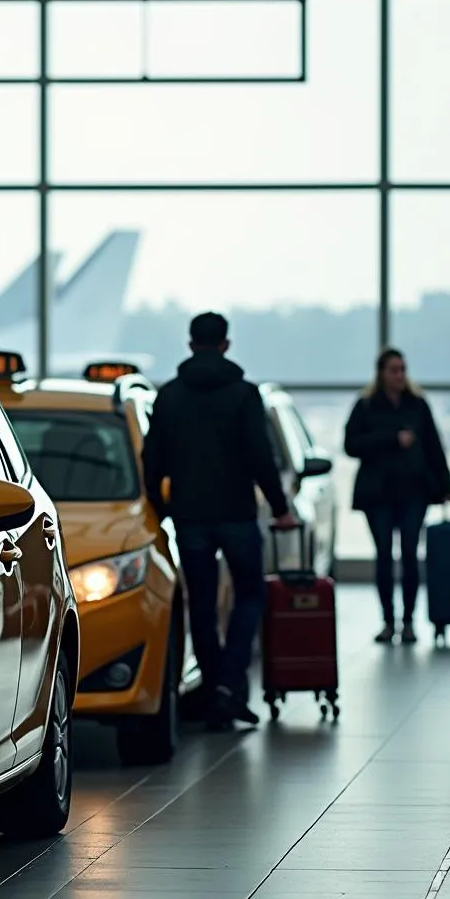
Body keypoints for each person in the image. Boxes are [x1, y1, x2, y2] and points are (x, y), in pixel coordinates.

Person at [142, 311, 297, 730]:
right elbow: (261, 458)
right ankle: (230, 684)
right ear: (226, 344)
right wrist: (281, 508)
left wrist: (160, 505)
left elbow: (151, 459)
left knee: (204, 607)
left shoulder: (169, 395)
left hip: (190, 517)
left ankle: (214, 692)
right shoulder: (244, 395)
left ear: (191, 344)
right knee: (250, 596)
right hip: (237, 516)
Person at [344, 349, 450, 645]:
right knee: (383, 556)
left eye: (402, 369)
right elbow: (351, 444)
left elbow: (434, 446)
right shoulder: (366, 405)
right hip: (378, 493)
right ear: (381, 373)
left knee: (408, 554)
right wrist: (391, 439)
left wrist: (445, 486)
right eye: (393, 370)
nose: (399, 375)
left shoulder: (417, 405)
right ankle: (387, 620)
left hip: (413, 490)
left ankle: (407, 621)